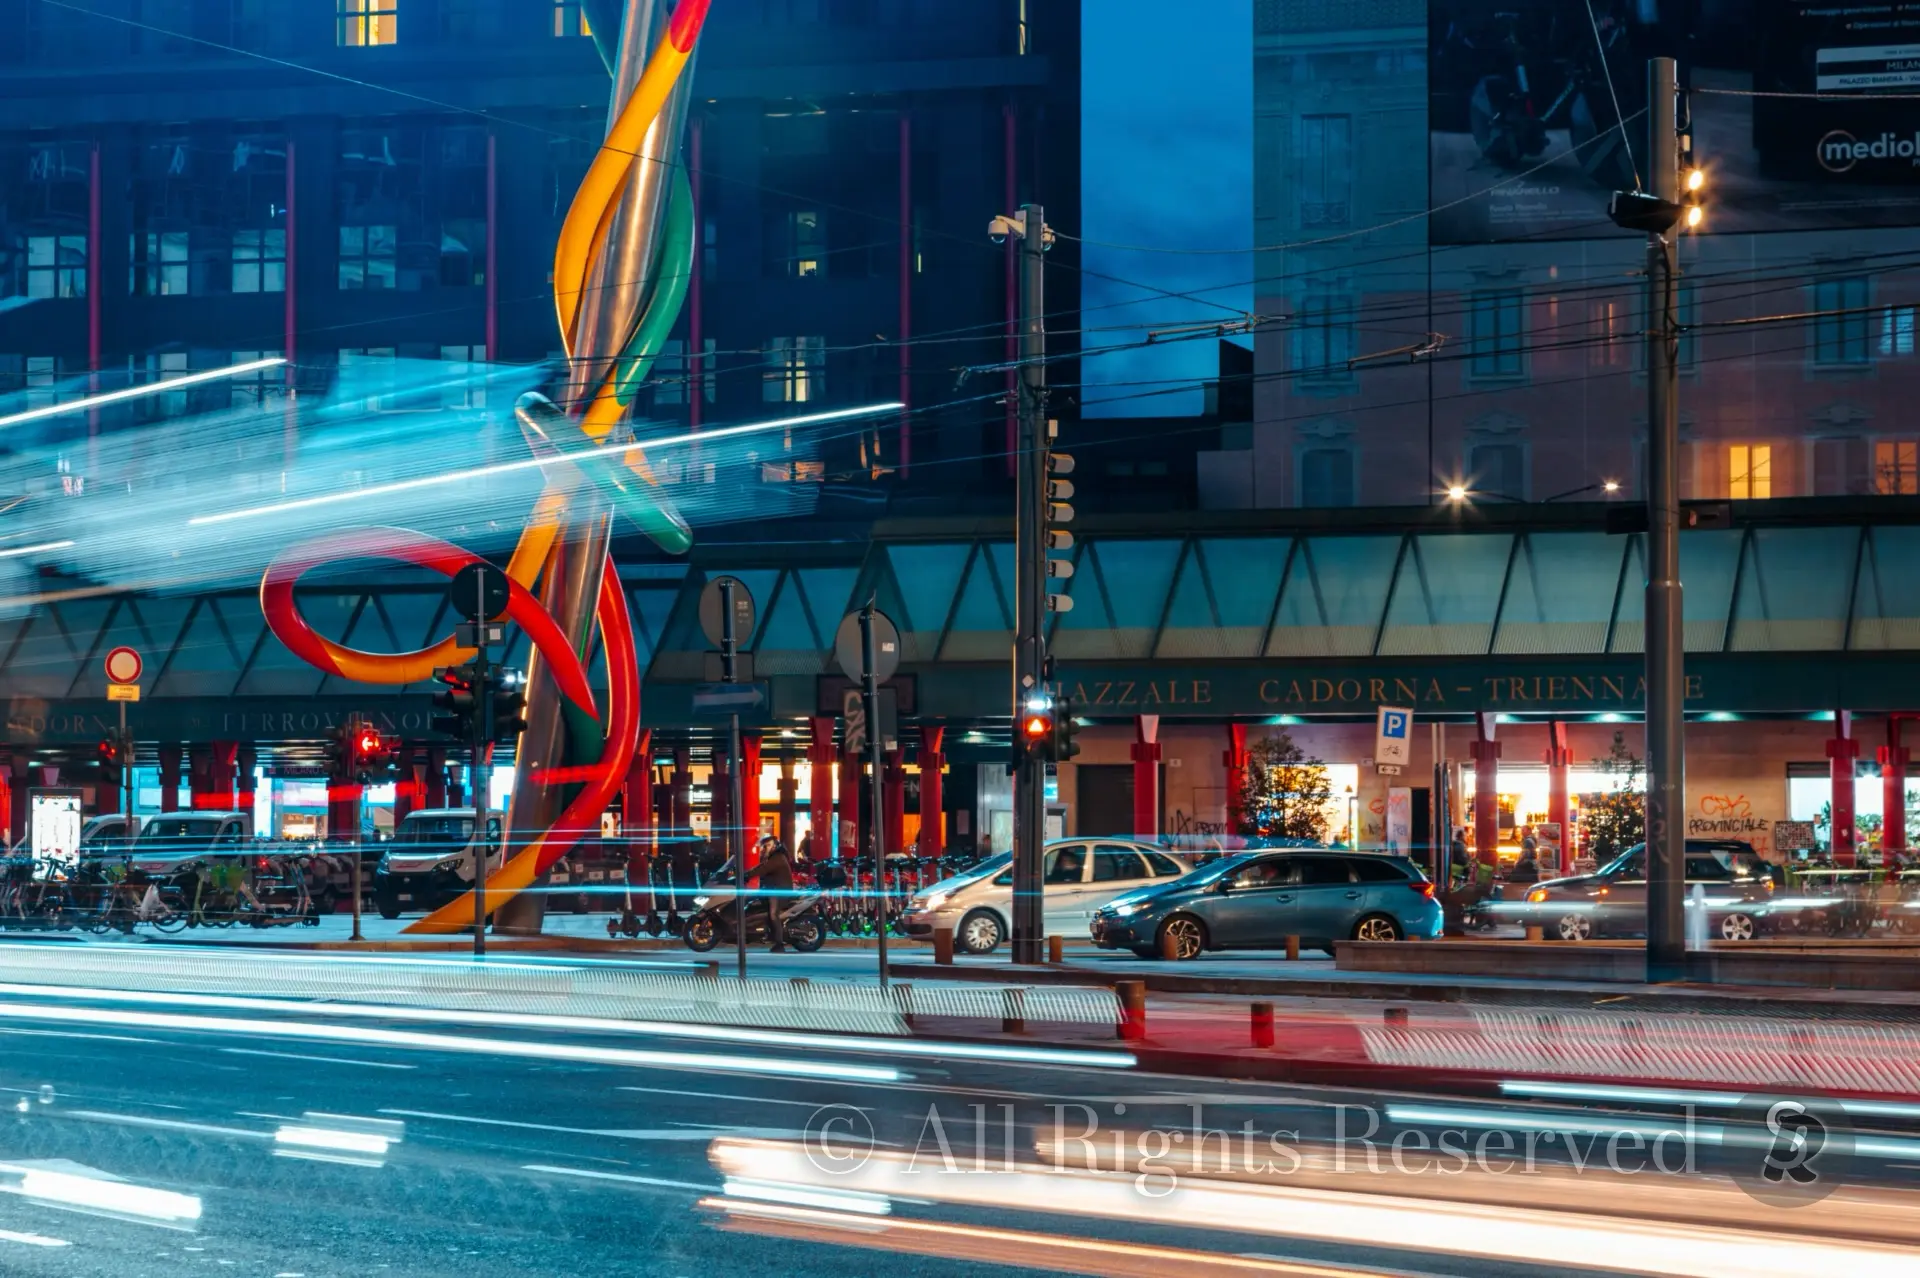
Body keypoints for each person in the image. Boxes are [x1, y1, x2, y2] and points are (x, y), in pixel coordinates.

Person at [743, 835, 796, 951]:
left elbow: (763, 869)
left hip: (779, 891)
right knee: (751, 901)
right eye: (764, 846)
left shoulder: (778, 857)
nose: (764, 848)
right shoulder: (771, 857)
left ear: (774, 846)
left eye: (767, 845)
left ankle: (779, 944)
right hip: (771, 889)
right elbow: (760, 867)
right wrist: (745, 873)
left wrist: (747, 875)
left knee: (773, 914)